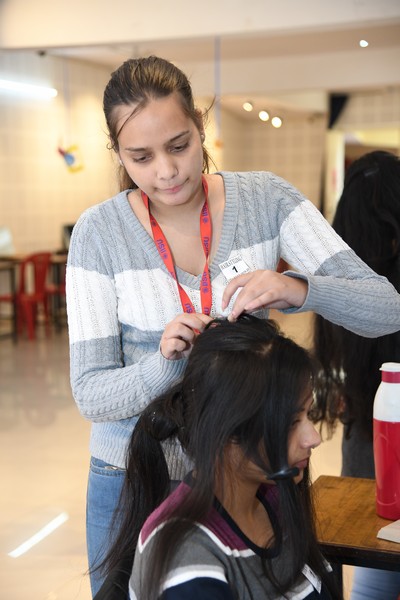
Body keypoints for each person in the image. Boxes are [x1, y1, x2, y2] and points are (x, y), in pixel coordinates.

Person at [65, 56, 400, 596]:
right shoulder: (98, 234)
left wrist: (299, 289)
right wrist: (162, 366)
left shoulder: (266, 200)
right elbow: (91, 392)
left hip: (250, 472)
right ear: (117, 153)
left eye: (179, 145)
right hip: (133, 477)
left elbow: (386, 308)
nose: (166, 172)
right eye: (141, 158)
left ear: (200, 127)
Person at [96, 315, 342, 599]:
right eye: (290, 423)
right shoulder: (188, 561)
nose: (314, 438)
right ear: (226, 431)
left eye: (308, 414)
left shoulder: (274, 495)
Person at [312, 150, 400, 600]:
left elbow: (334, 371)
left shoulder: (341, 277)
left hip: (367, 437)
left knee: (373, 558)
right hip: (370, 433)